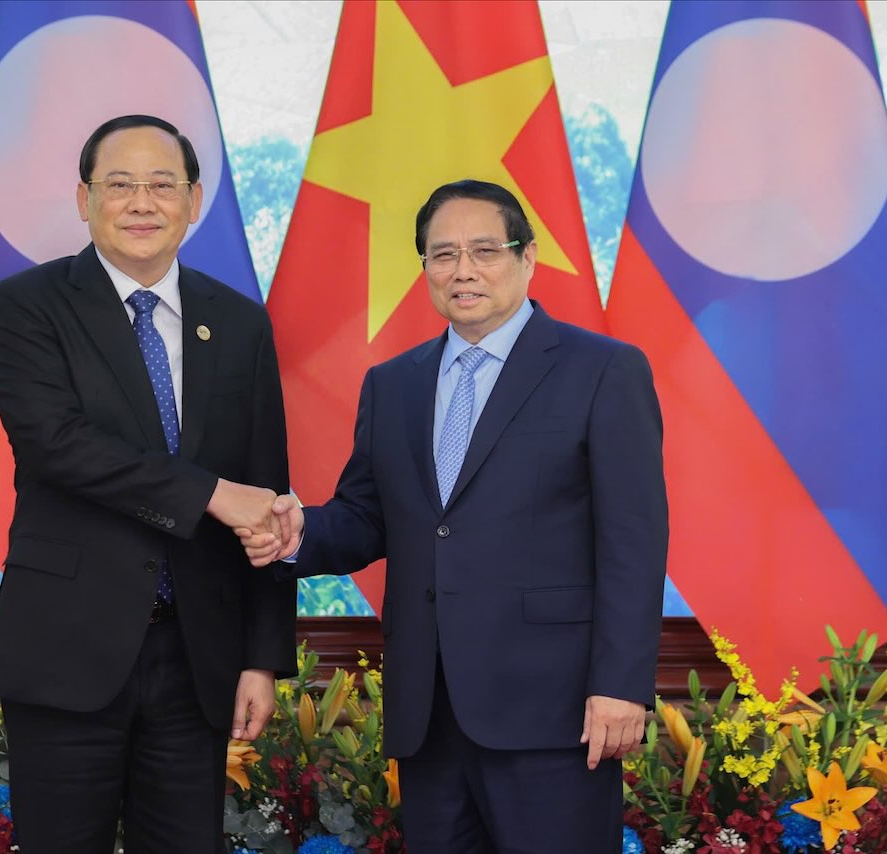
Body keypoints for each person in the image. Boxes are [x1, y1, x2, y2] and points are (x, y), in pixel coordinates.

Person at [241, 180, 668, 852]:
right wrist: (298, 534)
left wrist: (620, 686)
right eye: (443, 255)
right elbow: (368, 516)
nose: (463, 270)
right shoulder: (394, 383)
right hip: (430, 714)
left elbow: (633, 543)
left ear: (527, 258)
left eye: (484, 250)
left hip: (555, 712)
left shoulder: (602, 370)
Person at [0, 114, 296, 854]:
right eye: (120, 185)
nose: (142, 203)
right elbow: (59, 446)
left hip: (197, 658)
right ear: (84, 199)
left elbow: (266, 495)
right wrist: (211, 494)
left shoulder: (239, 324)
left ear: (194, 199)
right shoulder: (27, 306)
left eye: (162, 184)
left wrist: (262, 656)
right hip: (66, 650)